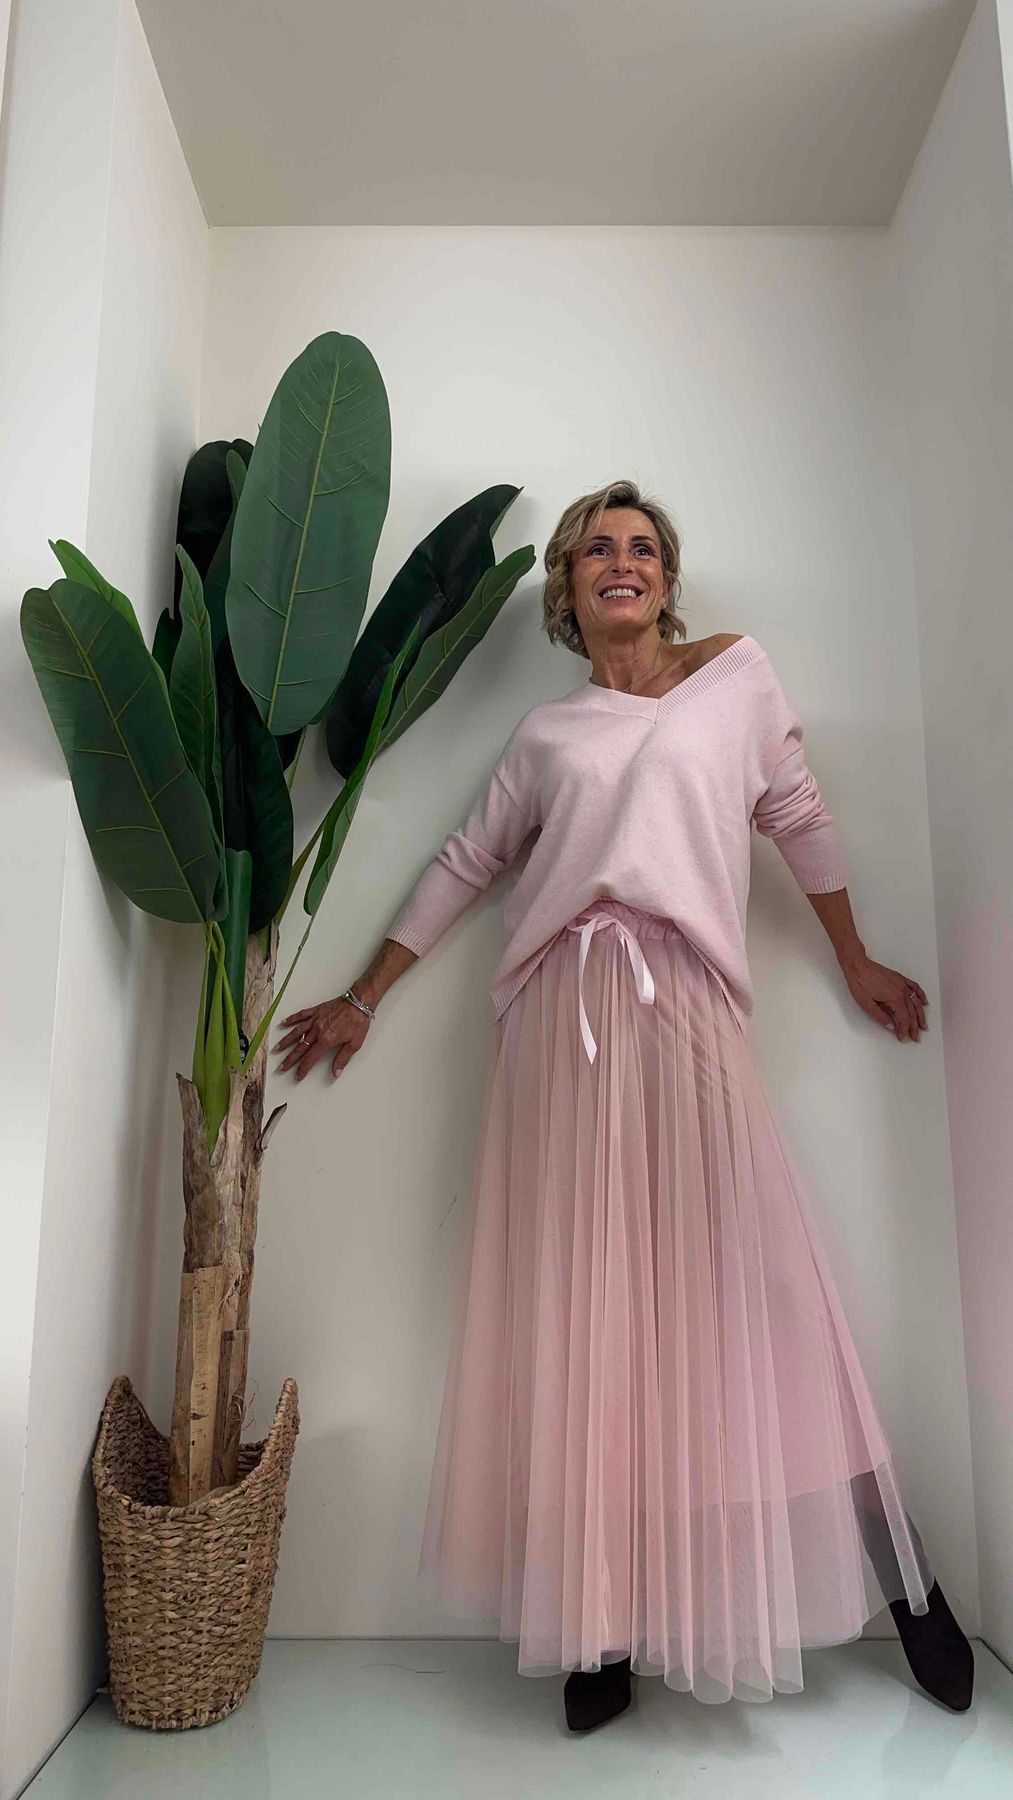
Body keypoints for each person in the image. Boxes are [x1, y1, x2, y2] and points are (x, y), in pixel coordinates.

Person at [273, 479, 973, 1731]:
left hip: (686, 1005)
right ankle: (598, 1627)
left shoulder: (733, 678)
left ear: (665, 578)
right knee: (587, 1311)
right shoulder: (546, 736)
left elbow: (796, 818)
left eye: (642, 547)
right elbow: (466, 862)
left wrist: (854, 962)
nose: (622, 561)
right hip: (562, 1027)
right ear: (566, 585)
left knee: (770, 1287)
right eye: (597, 547)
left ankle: (904, 1579)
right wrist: (364, 996)